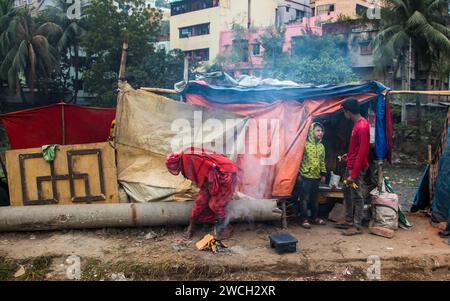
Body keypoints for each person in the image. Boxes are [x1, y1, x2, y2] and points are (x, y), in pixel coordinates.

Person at [165, 147, 238, 240]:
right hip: (211, 177)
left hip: (224, 173)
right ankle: (190, 229)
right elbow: (205, 172)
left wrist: (212, 192)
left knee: (215, 205)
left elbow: (210, 168)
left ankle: (226, 227)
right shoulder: (185, 158)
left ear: (177, 164)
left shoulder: (188, 158)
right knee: (199, 204)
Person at [335, 98, 370, 236]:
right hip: (351, 164)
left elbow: (362, 153)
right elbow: (356, 149)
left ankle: (356, 225)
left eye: (343, 111)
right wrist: (348, 156)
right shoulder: (357, 124)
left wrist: (353, 175)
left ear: (348, 111)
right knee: (346, 189)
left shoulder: (362, 127)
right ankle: (349, 220)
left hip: (357, 168)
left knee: (357, 195)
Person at [294, 122, 327, 229]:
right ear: (311, 132)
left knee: (314, 199)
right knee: (304, 199)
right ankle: (304, 219)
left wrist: (323, 174)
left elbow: (322, 161)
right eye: (317, 130)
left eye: (322, 131)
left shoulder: (321, 147)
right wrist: (298, 173)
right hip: (305, 176)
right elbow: (298, 160)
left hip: (316, 177)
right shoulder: (305, 145)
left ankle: (314, 218)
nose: (320, 133)